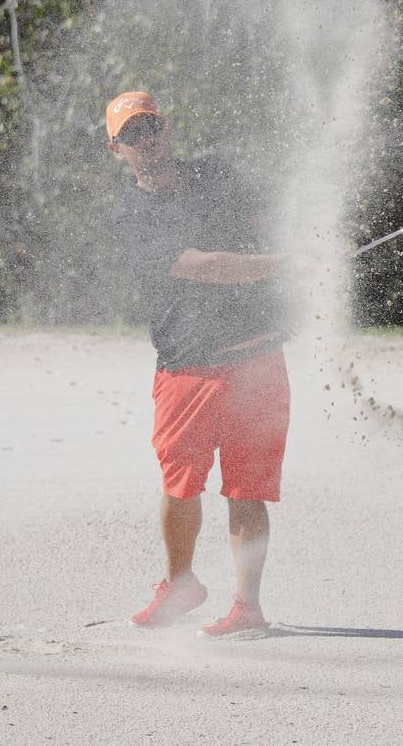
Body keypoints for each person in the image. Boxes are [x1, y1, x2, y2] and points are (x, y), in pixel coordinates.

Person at [106, 91, 294, 638]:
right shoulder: (131, 216)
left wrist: (309, 248)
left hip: (258, 356)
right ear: (117, 149)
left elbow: (266, 220)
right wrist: (285, 264)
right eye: (134, 135)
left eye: (154, 128)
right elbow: (206, 267)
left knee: (247, 488)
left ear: (168, 128)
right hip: (188, 365)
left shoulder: (217, 173)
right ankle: (181, 581)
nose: (149, 141)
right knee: (180, 484)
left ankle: (248, 607)